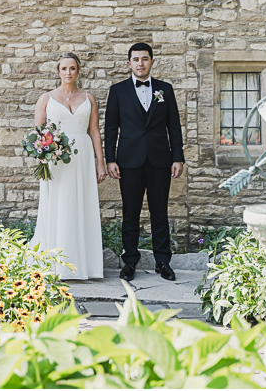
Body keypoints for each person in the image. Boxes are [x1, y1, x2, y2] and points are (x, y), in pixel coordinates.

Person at [104, 42, 184, 282]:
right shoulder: (117, 91)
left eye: (145, 59)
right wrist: (111, 159)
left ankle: (163, 262)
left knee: (160, 213)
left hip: (160, 160)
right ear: (129, 63)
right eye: (136, 59)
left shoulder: (165, 90)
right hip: (129, 161)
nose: (140, 63)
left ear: (152, 62)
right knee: (131, 214)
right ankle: (129, 262)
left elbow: (174, 127)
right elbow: (110, 128)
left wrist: (177, 156)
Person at [29, 52, 106, 280]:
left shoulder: (89, 98)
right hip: (57, 161)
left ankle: (84, 264)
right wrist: (43, 155)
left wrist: (99, 163)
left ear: (78, 71)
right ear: (58, 71)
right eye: (64, 69)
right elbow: (38, 133)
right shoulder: (46, 98)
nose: (68, 73)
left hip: (82, 156)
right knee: (59, 207)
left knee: (82, 206)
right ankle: (56, 262)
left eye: (72, 68)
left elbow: (94, 132)